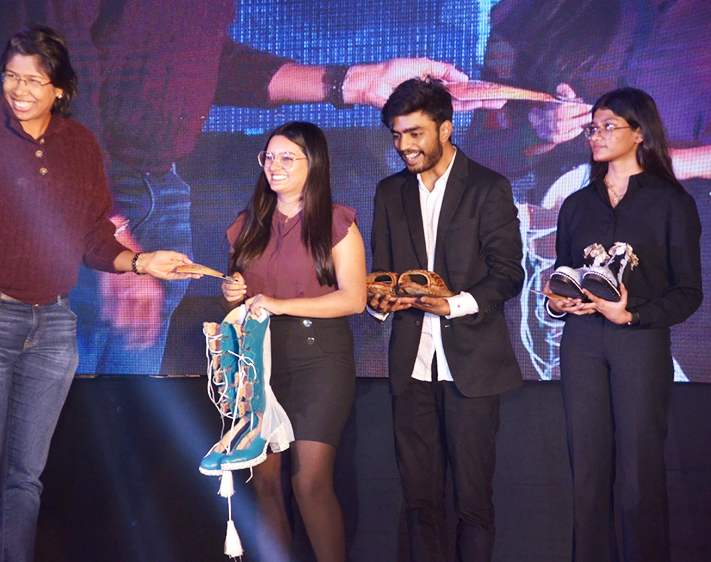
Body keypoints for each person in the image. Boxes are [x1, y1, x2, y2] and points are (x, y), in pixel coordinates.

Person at [0, 0, 504, 375]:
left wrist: (353, 83)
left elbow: (200, 61)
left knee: (121, 407)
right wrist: (110, 231)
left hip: (157, 188)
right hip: (67, 194)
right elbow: (61, 66)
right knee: (55, 405)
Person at [0, 25, 198, 561]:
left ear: (60, 89)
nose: (19, 90)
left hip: (53, 327)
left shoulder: (80, 144)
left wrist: (142, 262)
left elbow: (94, 237)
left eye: (34, 80)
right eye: (11, 76)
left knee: (24, 479)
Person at [463, 0, 711, 379]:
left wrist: (652, 164)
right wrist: (539, 131)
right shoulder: (537, 14)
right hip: (567, 271)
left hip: (679, 271)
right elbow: (479, 155)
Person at [369, 77, 524, 561]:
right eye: (397, 135)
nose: (404, 146)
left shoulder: (488, 188)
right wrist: (378, 303)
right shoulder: (389, 192)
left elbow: (508, 274)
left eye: (415, 133)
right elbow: (382, 274)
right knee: (419, 503)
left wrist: (453, 304)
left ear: (445, 129)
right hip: (411, 368)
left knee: (473, 504)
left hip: (471, 368)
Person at [545, 88, 702, 562]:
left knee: (639, 473)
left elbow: (688, 292)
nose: (596, 135)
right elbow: (563, 275)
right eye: (592, 127)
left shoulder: (671, 202)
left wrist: (632, 314)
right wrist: (560, 304)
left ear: (639, 133)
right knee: (587, 473)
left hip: (639, 342)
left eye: (608, 126)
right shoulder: (576, 204)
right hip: (581, 344)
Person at [221, 121, 366, 561]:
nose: (275, 166)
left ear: (313, 163)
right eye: (268, 157)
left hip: (319, 358)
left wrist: (280, 304)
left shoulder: (336, 221)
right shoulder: (247, 224)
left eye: (287, 157)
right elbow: (240, 292)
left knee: (309, 481)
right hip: (258, 359)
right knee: (264, 482)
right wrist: (232, 291)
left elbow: (354, 299)